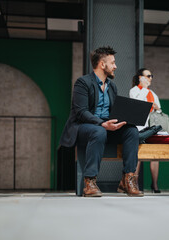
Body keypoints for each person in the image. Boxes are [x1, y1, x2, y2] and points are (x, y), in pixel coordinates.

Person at [59, 46, 143, 197]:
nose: (115, 66)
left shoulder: (112, 87)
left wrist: (123, 118)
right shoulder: (83, 82)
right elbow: (81, 112)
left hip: (106, 127)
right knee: (98, 131)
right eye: (113, 63)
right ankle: (89, 182)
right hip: (85, 127)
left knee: (131, 131)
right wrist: (101, 123)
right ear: (102, 65)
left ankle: (127, 180)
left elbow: (113, 112)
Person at [129, 68, 161, 193]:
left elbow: (159, 112)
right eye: (148, 76)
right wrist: (144, 88)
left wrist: (157, 108)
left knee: (155, 155)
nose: (150, 78)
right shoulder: (134, 91)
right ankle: (134, 184)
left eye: (151, 76)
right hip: (138, 128)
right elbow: (136, 104)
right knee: (138, 156)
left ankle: (155, 185)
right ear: (140, 77)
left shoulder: (152, 93)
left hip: (150, 128)